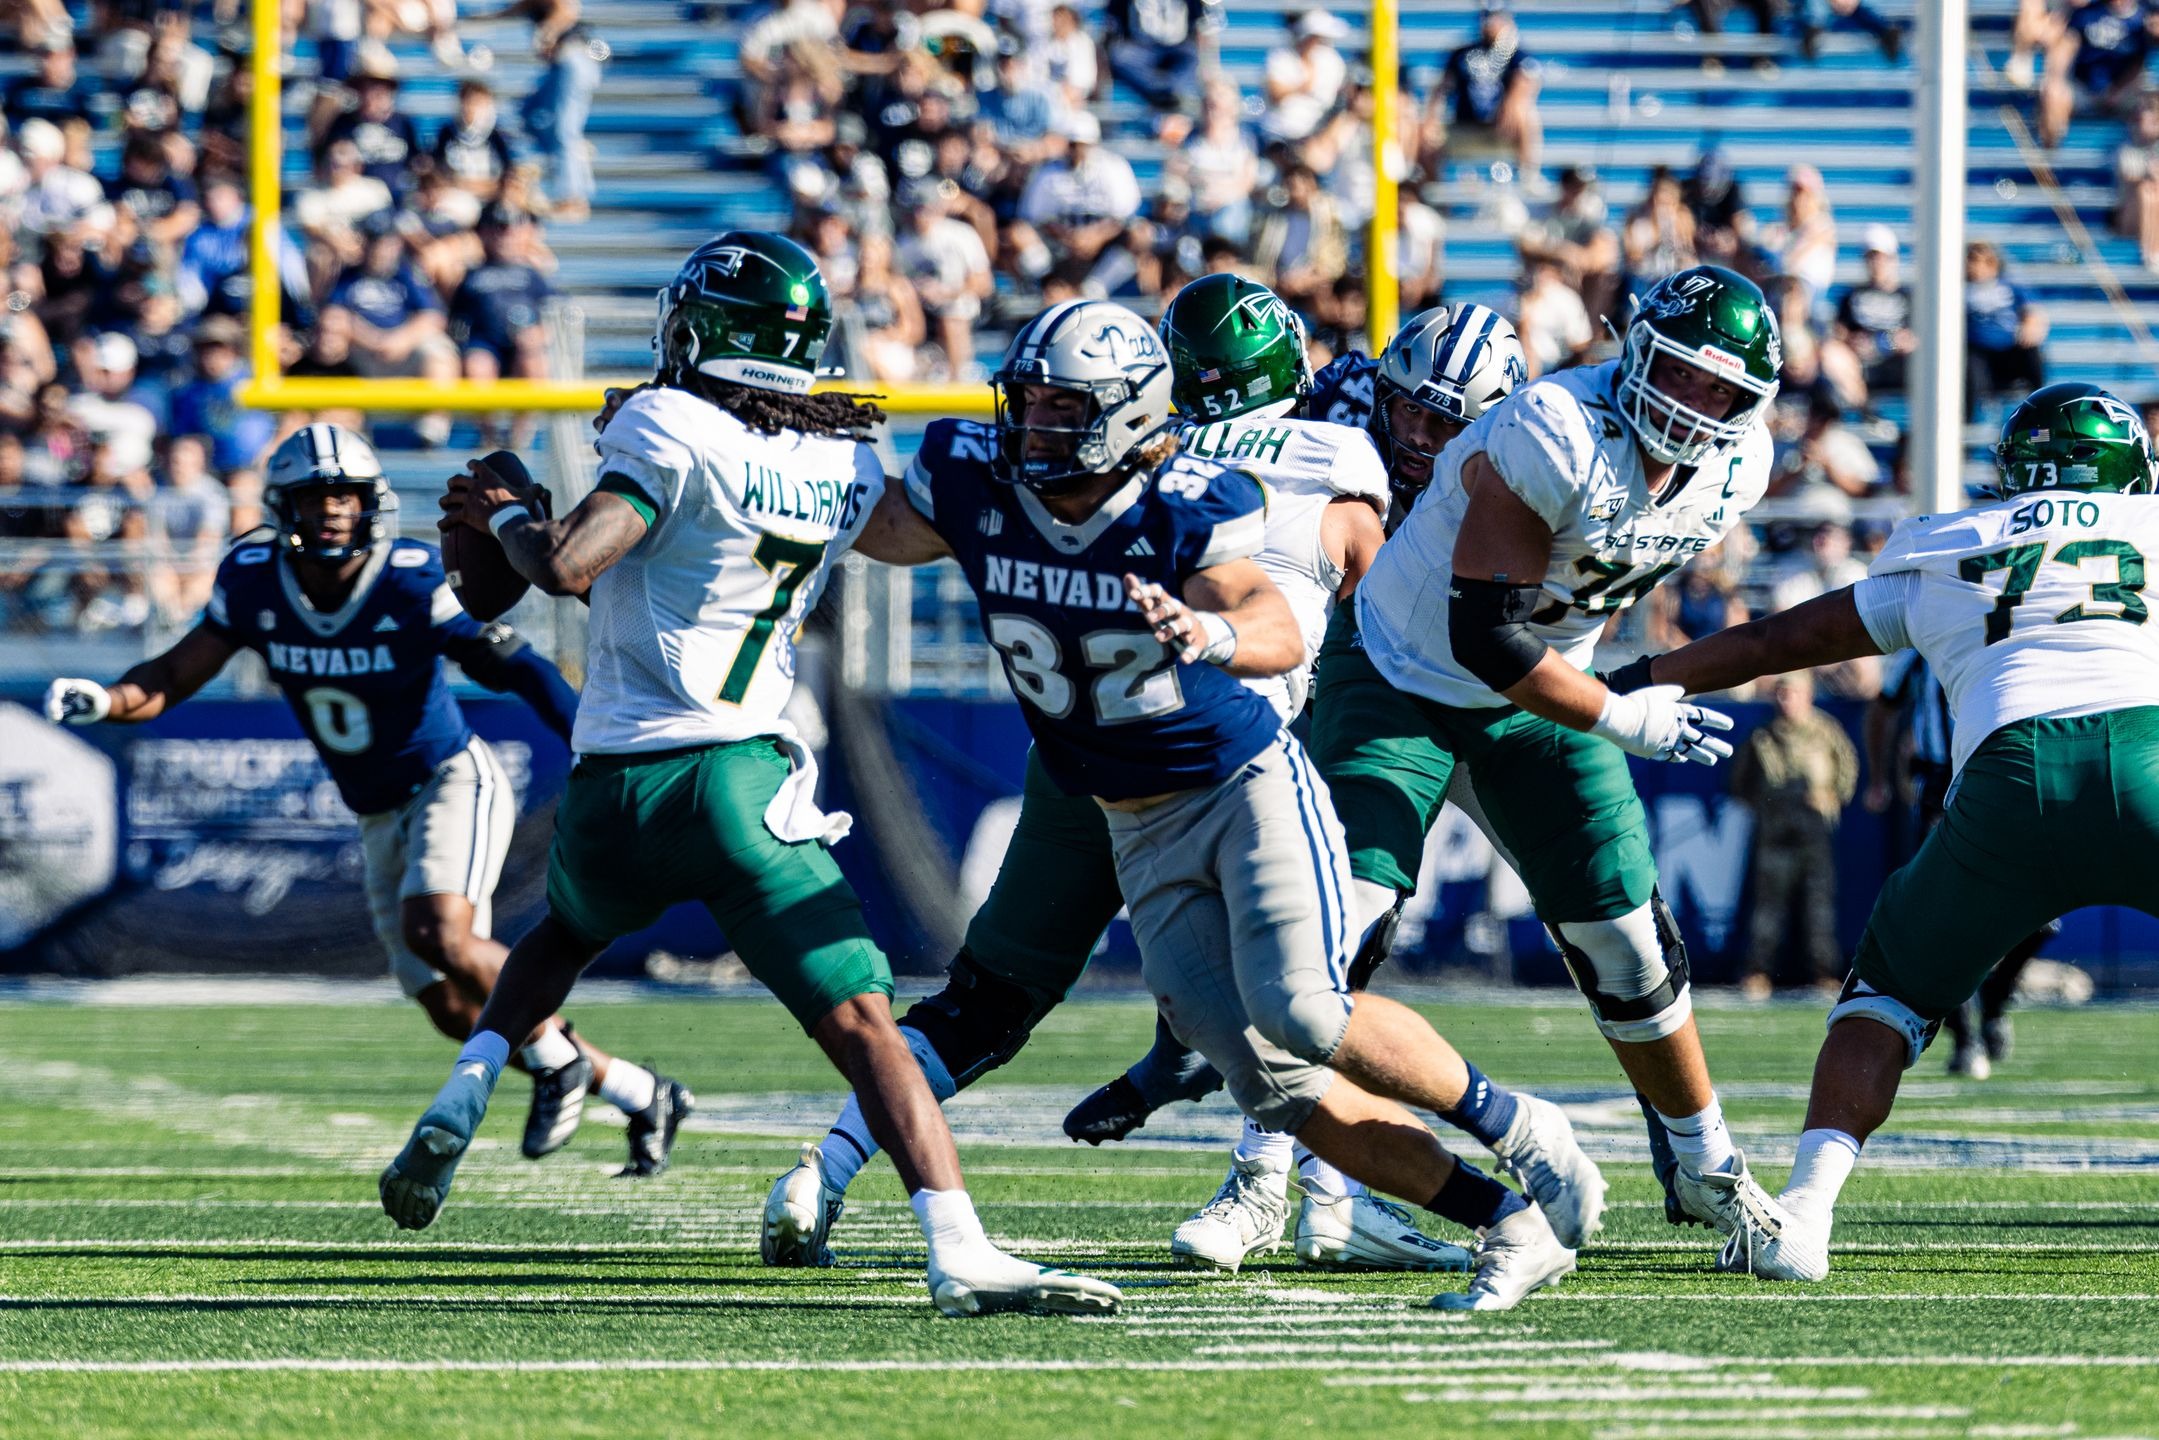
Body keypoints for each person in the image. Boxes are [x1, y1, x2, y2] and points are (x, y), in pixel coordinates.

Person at [379, 231, 1120, 1318]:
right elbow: (910, 542)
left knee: (558, 940)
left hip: (613, 781)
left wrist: (502, 512)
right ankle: (954, 1244)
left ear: (695, 329)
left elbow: (567, 565)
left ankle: (465, 1087)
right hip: (737, 778)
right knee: (868, 1029)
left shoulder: (667, 422)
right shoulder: (836, 454)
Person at [767, 281, 1556, 1282]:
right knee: (1306, 1004)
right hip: (1216, 772)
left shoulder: (1041, 476)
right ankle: (1328, 1184)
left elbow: (883, 525)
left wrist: (796, 437)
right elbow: (1374, 628)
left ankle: (824, 1171)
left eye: (1060, 405)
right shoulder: (1306, 469)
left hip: (1078, 762)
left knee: (987, 1007)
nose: (1041, 426)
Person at [1256, 266, 1785, 1255]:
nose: (1690, 405)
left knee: (1628, 943)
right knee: (1333, 939)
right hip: (1403, 669)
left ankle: (1707, 1165)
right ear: (1633, 352)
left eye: (1719, 392)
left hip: (1543, 685)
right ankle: (1305, 1183)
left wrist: (1605, 677)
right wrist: (1619, 717)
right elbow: (1486, 640)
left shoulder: (1737, 466)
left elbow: (1594, 582)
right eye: (1674, 372)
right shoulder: (1552, 431)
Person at [1612, 381, 2159, 1281]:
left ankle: (1804, 1217)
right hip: (2146, 760)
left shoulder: (1953, 553)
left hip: (2004, 785)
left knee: (1883, 1001)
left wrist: (1632, 676)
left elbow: (1767, 646)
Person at [43, 423, 691, 1177]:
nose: (334, 514)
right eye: (317, 499)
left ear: (371, 503)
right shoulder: (253, 578)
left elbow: (519, 668)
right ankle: (642, 1091)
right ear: (284, 507)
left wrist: (594, 746)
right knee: (449, 1006)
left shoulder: (408, 577)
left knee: (439, 932)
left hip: (451, 776)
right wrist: (108, 699)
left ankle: (554, 1060)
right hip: (376, 807)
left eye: (347, 497)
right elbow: (174, 674)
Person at [1867, 655, 2057, 1080]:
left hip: (2005, 781)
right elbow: (1882, 707)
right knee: (1945, 918)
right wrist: (1879, 776)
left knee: (2044, 918)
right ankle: (1964, 1036)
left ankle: (1996, 995)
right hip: (1940, 789)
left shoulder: (2009, 635)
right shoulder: (1919, 645)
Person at [1730, 671, 1859, 999]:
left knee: (1819, 911)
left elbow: (1847, 770)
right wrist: (1767, 807)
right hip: (1775, 837)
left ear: (1807, 695)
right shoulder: (1762, 736)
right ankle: (1757, 972)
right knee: (1767, 913)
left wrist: (1830, 799)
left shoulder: (1826, 731)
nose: (1785, 700)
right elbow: (1739, 783)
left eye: (1791, 693)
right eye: (1780, 694)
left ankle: (1825, 973)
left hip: (1815, 836)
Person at [1435, 2, 1541, 181]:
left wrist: (1513, 102)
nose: (1491, 24)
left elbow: (1527, 79)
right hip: (1465, 125)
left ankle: (1528, 176)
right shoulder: (1463, 52)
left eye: (1497, 19)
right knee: (1429, 133)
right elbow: (1442, 88)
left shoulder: (1516, 53)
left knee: (1527, 114)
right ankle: (1430, 189)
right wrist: (1432, 118)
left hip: (1501, 127)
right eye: (1489, 19)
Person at [2039, 0, 2155, 149]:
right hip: (2083, 86)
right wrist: (2056, 77)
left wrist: (2117, 91)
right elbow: (2068, 43)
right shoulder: (2089, 10)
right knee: (2053, 92)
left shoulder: (2144, 15)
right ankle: (2050, 154)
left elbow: (2139, 64)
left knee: (2149, 110)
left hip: (2123, 89)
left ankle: (2142, 158)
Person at [1965, 241, 2048, 419]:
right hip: (1977, 354)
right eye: (1972, 260)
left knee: (2033, 353)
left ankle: (2042, 409)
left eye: (1983, 261)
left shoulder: (2010, 287)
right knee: (1969, 365)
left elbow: (2033, 311)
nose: (1977, 267)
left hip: (2009, 352)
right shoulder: (1958, 289)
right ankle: (1966, 422)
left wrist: (2030, 325)